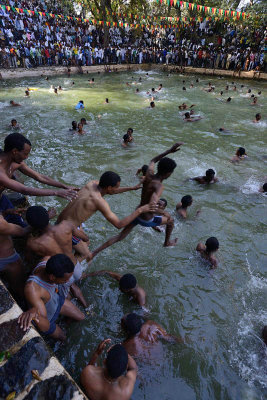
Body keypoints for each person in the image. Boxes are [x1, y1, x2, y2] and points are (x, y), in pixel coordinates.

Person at [92, 143, 183, 258]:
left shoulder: (149, 174)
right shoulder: (159, 186)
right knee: (171, 221)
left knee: (120, 237)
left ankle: (95, 252)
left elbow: (153, 160)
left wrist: (169, 150)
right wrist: (163, 212)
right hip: (147, 219)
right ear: (168, 173)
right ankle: (167, 243)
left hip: (136, 214)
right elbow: (152, 204)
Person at [57, 171, 155, 260]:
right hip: (67, 230)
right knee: (87, 255)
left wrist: (131, 188)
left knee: (87, 242)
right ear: (109, 187)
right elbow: (119, 224)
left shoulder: (92, 183)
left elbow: (112, 191)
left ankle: (70, 246)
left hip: (62, 220)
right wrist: (140, 210)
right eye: (116, 187)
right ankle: (70, 275)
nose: (116, 189)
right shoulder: (99, 201)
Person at [0, 134, 77, 222]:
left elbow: (39, 177)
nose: (26, 157)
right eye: (25, 154)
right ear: (15, 151)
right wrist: (57, 192)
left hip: (2, 199)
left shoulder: (16, 162)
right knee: (21, 231)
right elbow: (24, 190)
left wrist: (64, 186)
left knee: (22, 222)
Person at [25, 206, 89, 306]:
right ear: (48, 215)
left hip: (62, 274)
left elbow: (28, 259)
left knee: (66, 294)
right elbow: (85, 238)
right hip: (75, 267)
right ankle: (86, 306)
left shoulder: (34, 243)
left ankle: (72, 310)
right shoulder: (66, 225)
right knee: (74, 283)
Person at [18, 254, 85, 341]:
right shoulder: (33, 290)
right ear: (52, 277)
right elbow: (45, 326)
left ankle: (63, 322)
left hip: (56, 301)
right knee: (64, 338)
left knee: (81, 317)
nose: (68, 281)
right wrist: (35, 316)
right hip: (47, 318)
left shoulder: (47, 259)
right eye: (65, 280)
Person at [0, 212, 30, 299]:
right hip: (7, 259)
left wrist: (7, 212)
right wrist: (45, 217)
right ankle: (25, 304)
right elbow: (22, 231)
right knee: (21, 286)